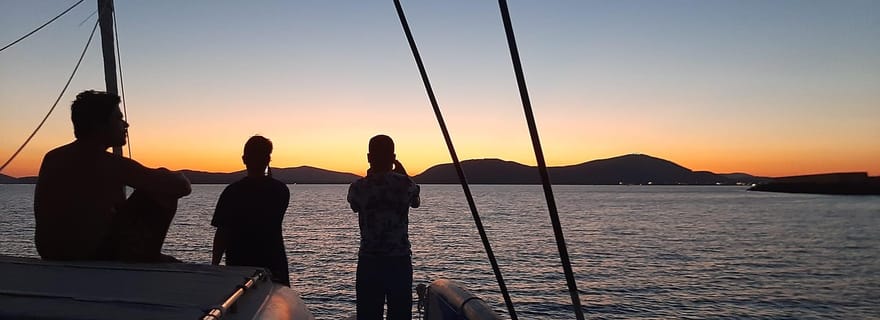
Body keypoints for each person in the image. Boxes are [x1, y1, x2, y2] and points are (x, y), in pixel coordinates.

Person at [34, 90, 191, 262]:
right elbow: (180, 187)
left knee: (156, 181)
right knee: (162, 191)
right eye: (118, 118)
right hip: (94, 256)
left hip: (51, 252)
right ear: (99, 124)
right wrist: (174, 175)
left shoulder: (53, 157)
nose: (126, 124)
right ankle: (148, 256)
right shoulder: (111, 164)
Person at [347, 134, 421, 320]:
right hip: (399, 261)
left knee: (368, 315)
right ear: (393, 158)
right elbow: (416, 203)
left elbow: (355, 206)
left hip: (369, 261)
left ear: (369, 157)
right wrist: (403, 174)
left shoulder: (358, 188)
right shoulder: (406, 184)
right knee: (400, 314)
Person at [211, 135, 291, 286]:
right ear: (268, 159)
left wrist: (215, 265)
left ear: (244, 159)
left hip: (238, 267)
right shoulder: (280, 190)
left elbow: (222, 232)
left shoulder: (232, 192)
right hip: (275, 267)